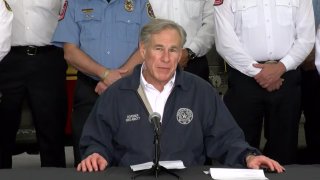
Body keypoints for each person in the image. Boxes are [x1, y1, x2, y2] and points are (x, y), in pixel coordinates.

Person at [77, 19, 285, 173]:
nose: (166, 58)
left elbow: (226, 138)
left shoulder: (201, 92)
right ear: (143, 50)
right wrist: (96, 154)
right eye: (158, 49)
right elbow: (96, 139)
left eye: (173, 50)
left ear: (180, 54)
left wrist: (248, 156)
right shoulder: (116, 93)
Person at [51, 0, 154, 166]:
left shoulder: (139, 2)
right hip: (89, 90)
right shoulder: (75, 3)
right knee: (88, 158)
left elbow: (149, 45)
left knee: (132, 156)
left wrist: (117, 79)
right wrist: (105, 74)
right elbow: (70, 52)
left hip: (131, 91)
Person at [213, 0, 315, 165]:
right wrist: (258, 72)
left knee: (285, 148)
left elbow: (306, 38)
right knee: (240, 146)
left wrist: (282, 67)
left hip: (286, 77)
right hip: (244, 78)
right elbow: (225, 43)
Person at [0, 0, 67, 168]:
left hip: (48, 60)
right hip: (8, 60)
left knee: (52, 131)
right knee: (2, 129)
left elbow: (66, 14)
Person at [148, 0, 214, 82]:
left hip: (193, 62)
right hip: (155, 62)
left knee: (198, 93)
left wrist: (190, 51)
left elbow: (211, 22)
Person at [298, 0, 320, 164]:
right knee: (283, 120)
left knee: (315, 113)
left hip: (314, 61)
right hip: (280, 60)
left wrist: (312, 51)